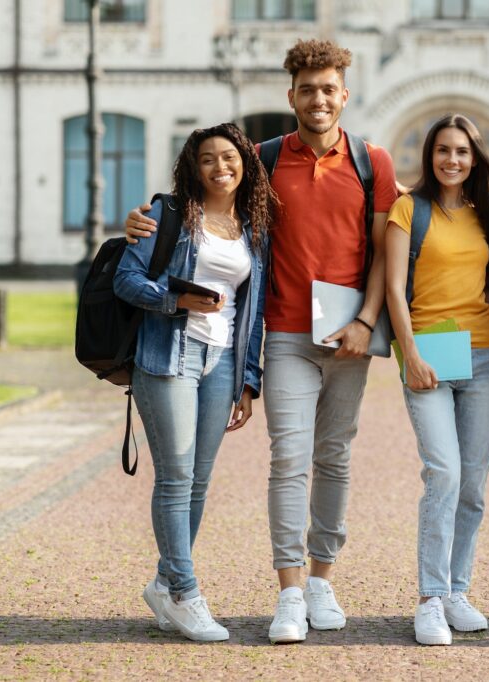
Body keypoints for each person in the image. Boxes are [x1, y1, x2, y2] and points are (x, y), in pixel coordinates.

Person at [124, 39, 398, 644]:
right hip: (285, 334)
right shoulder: (266, 158)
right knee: (288, 459)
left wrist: (367, 320)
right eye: (307, 89)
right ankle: (291, 592)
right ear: (291, 95)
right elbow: (209, 197)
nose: (318, 99)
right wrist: (144, 222)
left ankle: (323, 578)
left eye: (329, 89)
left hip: (349, 331)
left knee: (336, 458)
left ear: (344, 94)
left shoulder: (373, 162)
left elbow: (385, 250)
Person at [113, 122, 273, 642]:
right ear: (192, 166)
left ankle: (163, 583)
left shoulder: (252, 227)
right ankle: (184, 591)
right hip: (168, 354)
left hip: (222, 360)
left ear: (245, 164)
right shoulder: (169, 215)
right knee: (176, 477)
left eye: (229, 157)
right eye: (208, 158)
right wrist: (176, 300)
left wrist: (248, 381)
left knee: (198, 482)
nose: (220, 167)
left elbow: (253, 311)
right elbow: (126, 279)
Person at [384, 114, 489, 646]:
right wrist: (408, 353)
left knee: (474, 485)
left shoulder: (488, 216)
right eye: (442, 150)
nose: (452, 160)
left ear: (474, 158)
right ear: (429, 155)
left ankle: (457, 589)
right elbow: (392, 286)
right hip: (428, 356)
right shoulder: (409, 208)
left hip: (483, 358)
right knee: (444, 473)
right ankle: (430, 598)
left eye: (461, 151)